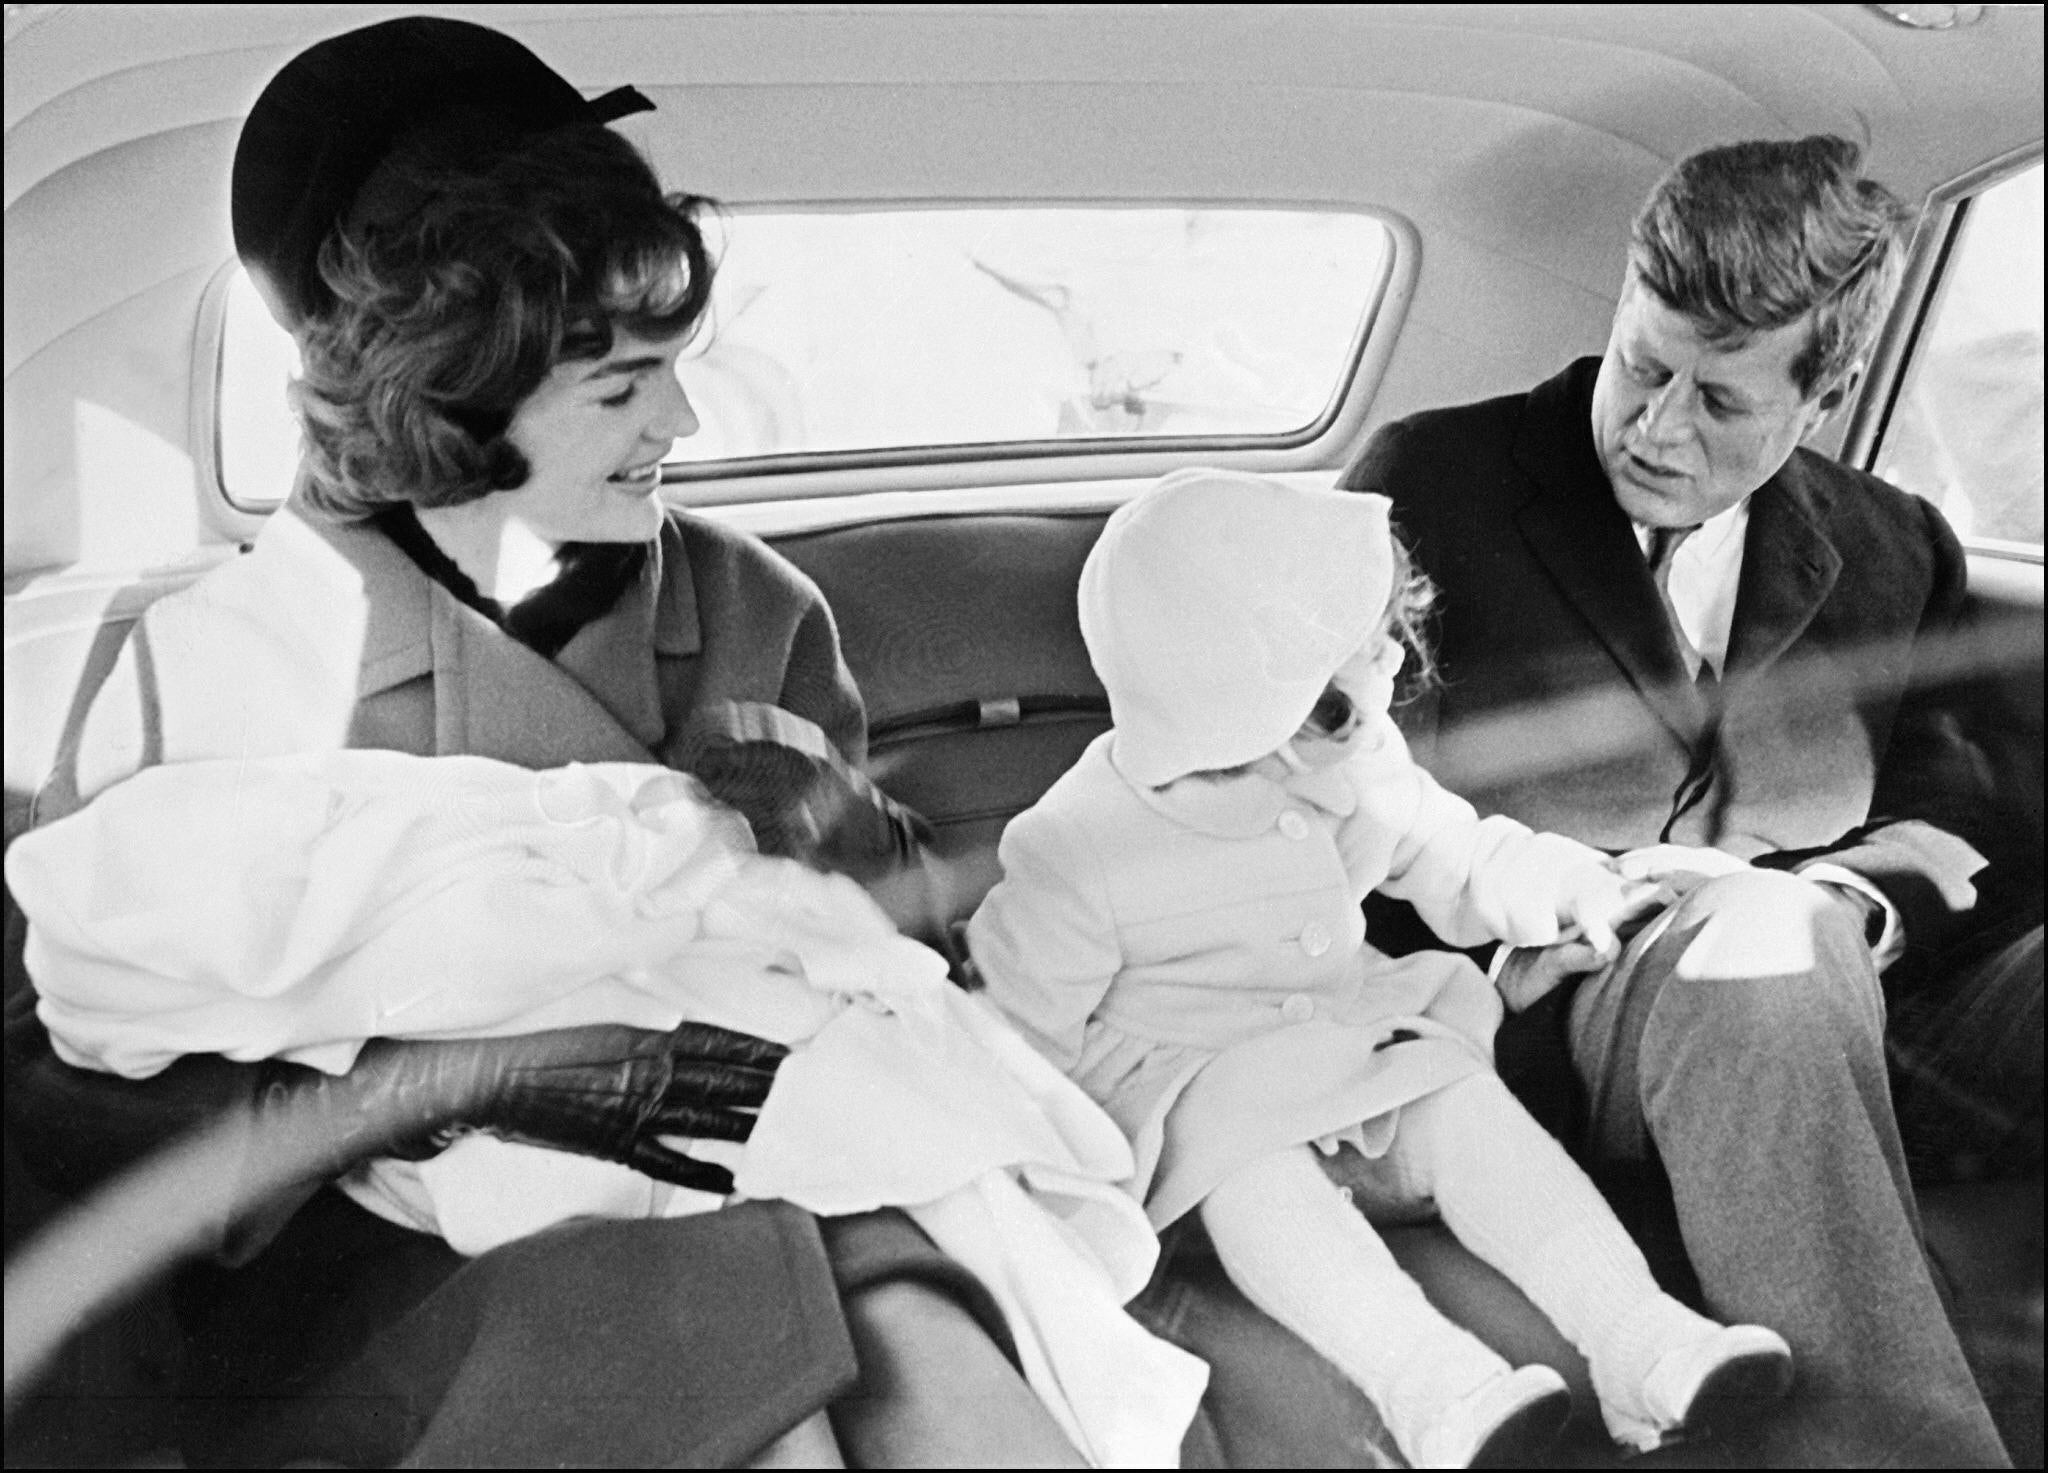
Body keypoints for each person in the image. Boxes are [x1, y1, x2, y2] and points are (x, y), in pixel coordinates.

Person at [1, 17, 1088, 1468]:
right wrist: (421, 1087)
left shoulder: (759, 607)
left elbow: (907, 957)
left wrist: (853, 839)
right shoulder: (207, 670)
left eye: (677, 365)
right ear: (449, 396)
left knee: (959, 1384)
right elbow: (88, 1088)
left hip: (780, 1150)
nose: (687, 420)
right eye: (626, 385)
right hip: (402, 1261)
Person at [1340, 134, 2043, 1467]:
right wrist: (1526, 929)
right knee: (1763, 957)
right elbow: (1334, 804)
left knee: (1796, 935)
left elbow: (1974, 817)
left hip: (1867, 978)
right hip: (1563, 1008)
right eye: (1643, 367)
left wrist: (1843, 895)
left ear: (1823, 398)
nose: (1658, 426)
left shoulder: (1897, 545)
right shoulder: (1427, 482)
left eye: (1722, 403)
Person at [968, 469, 1795, 1468]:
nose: (1392, 664)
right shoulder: (1076, 844)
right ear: (1253, 690)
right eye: (1359, 661)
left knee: (1461, 1102)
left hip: (1343, 1041)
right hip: (1188, 1097)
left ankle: (1640, 1341)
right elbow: (1014, 1036)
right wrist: (1037, 1195)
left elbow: (1451, 847)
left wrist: (1564, 884)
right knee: (1253, 1178)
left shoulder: (1347, 756)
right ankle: (1439, 1396)